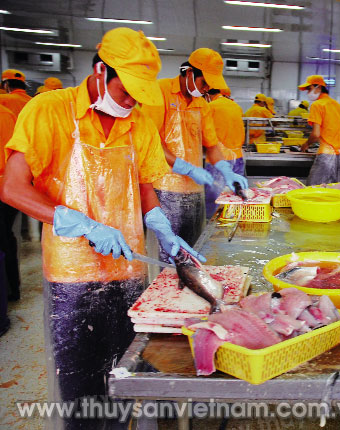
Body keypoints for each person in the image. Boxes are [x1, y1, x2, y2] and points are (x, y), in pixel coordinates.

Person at [0, 27, 205, 429]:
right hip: (72, 276)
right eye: (126, 91)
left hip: (129, 268)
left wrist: (161, 226)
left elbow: (145, 186)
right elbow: (12, 187)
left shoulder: (138, 122)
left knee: (124, 380)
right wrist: (76, 222)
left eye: (138, 95)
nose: (131, 102)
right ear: (99, 71)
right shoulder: (50, 110)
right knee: (81, 390)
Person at [141, 48, 247, 262]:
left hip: (194, 191)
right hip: (164, 190)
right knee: (169, 256)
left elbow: (212, 144)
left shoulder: (201, 104)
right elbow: (149, 142)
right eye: (204, 82)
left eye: (210, 85)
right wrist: (185, 167)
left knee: (194, 251)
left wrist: (225, 170)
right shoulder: (160, 92)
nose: (206, 88)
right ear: (189, 72)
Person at [298, 75, 340, 185]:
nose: (308, 92)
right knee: (339, 190)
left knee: (315, 189)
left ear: (318, 87)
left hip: (327, 154)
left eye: (309, 88)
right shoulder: (339, 106)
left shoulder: (317, 105)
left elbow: (316, 134)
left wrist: (306, 144)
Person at [204, 87, 246, 218]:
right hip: (238, 157)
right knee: (235, 195)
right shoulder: (235, 106)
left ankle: (213, 227)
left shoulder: (210, 106)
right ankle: (233, 222)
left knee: (215, 198)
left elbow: (204, 133)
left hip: (218, 158)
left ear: (207, 94)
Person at [0, 104, 16, 334]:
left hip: (11, 185)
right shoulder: (7, 113)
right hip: (10, 182)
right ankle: (14, 289)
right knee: (7, 240)